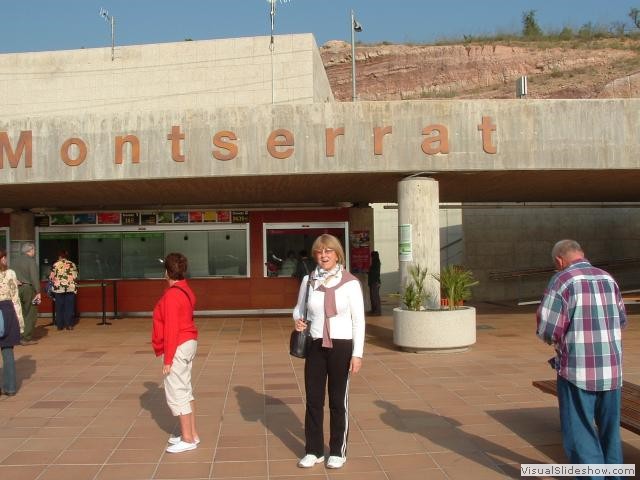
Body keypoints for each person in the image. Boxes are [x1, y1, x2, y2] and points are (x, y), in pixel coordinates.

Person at [536, 239, 626, 469]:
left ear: (559, 260)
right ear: (582, 254)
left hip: (578, 370)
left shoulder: (562, 280)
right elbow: (622, 320)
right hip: (612, 370)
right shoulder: (608, 278)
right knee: (610, 433)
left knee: (581, 433)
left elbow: (548, 328)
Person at [293, 234, 365, 469]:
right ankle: (313, 450)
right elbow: (298, 309)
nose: (323, 256)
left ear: (337, 254)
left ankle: (337, 450)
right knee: (313, 400)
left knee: (337, 401)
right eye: (319, 252)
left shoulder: (350, 283)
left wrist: (358, 354)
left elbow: (359, 322)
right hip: (315, 345)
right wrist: (299, 321)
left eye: (328, 251)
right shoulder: (309, 280)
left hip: (341, 346)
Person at [152, 252, 199, 454]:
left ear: (166, 272)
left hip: (178, 344)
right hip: (188, 342)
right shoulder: (186, 289)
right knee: (185, 390)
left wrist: (168, 359)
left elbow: (171, 329)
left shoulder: (171, 296)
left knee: (177, 392)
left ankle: (188, 439)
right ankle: (192, 433)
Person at [0, 249, 24, 396]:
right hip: (7, 311)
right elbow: (15, 298)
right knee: (7, 352)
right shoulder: (10, 273)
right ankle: (10, 387)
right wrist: (19, 321)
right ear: (2, 259)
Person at [12, 242, 41, 345]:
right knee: (31, 313)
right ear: (30, 250)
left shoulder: (14, 261)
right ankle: (26, 337)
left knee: (21, 313)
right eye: (34, 250)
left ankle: (19, 335)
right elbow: (34, 277)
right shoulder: (31, 261)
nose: (35, 252)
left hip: (16, 288)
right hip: (28, 288)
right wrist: (38, 291)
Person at [49, 250, 78, 331]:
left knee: (59, 307)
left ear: (59, 257)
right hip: (70, 288)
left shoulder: (55, 264)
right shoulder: (72, 264)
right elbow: (75, 276)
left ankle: (60, 326)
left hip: (59, 289)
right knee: (69, 307)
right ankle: (69, 325)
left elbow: (51, 277)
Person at [367, 251, 381, 316]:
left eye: (372, 256)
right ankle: (374, 310)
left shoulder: (376, 263)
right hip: (373, 282)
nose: (371, 257)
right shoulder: (375, 262)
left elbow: (374, 272)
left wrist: (368, 271)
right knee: (372, 297)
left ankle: (377, 311)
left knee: (375, 297)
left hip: (375, 282)